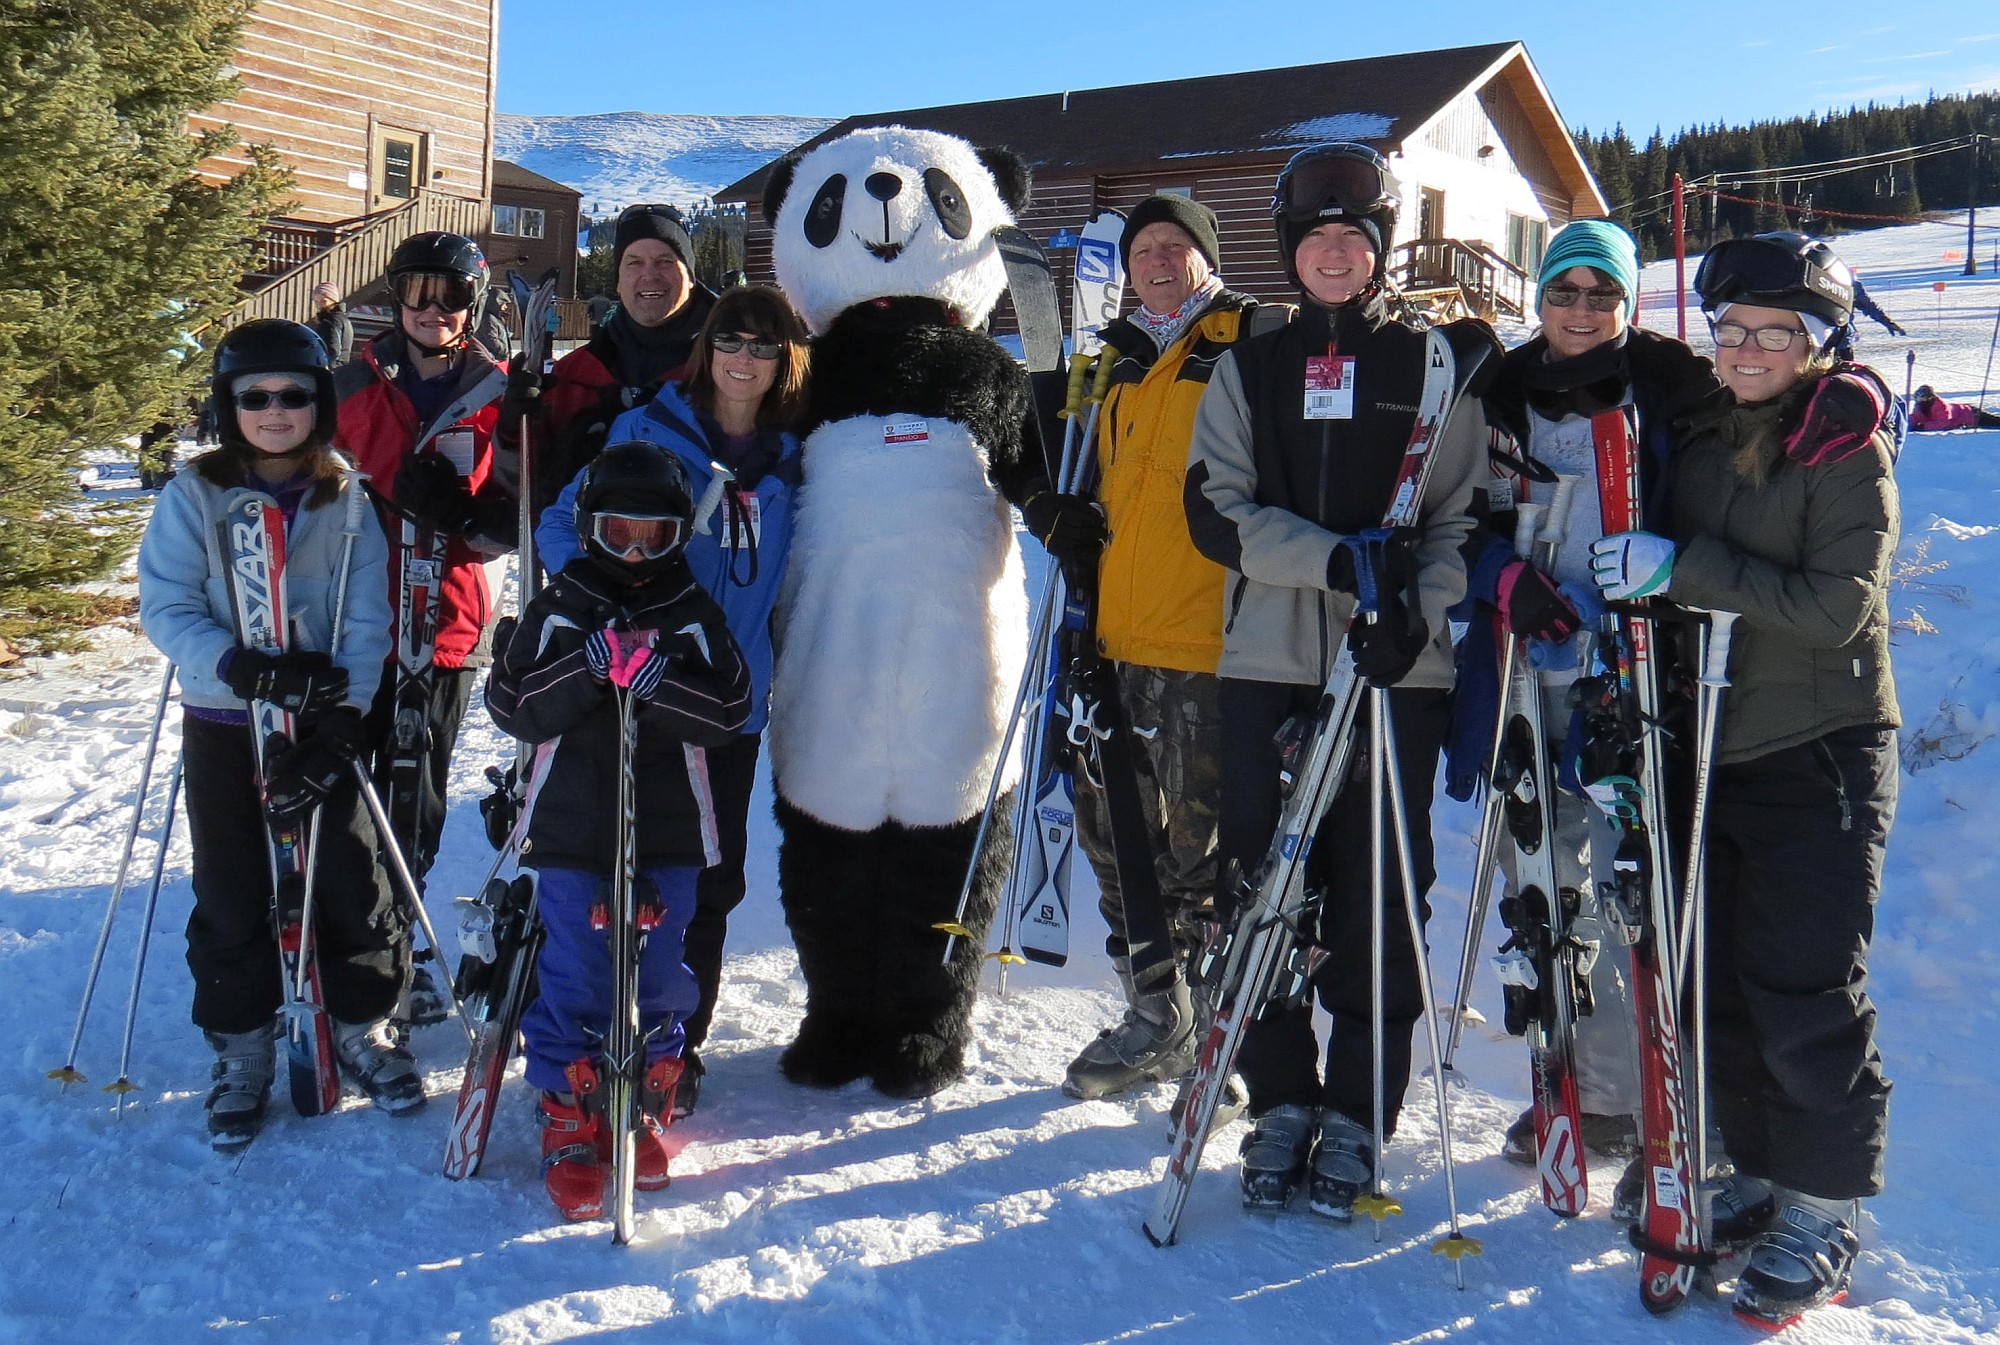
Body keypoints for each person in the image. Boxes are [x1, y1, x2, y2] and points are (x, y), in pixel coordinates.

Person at [1588, 230, 1899, 1323]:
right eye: (1731, 330)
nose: (1750, 347)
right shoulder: (1705, 434)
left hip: (1816, 751)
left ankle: (1822, 1210)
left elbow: (1835, 608)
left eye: (1776, 332)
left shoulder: (1842, 440)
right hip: (1704, 747)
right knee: (1710, 980)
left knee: (1802, 992)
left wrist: (1684, 570)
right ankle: (1756, 1171)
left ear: (1816, 343)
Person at [1183, 142, 1490, 1219]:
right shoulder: (1249, 365)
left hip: (1396, 667)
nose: (1330, 253)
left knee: (1378, 884)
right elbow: (1211, 508)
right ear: (1287, 248)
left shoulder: (1430, 367)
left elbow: (1458, 515)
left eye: (1350, 237)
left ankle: (1359, 1108)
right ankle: (1279, 1095)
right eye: (1313, 236)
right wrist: (1326, 561)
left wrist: (1414, 609)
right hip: (1269, 655)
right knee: (1260, 879)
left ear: (1376, 249)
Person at [1451, 218, 1725, 1176]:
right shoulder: (1502, 387)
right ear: (1540, 296)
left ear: (1628, 299)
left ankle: (1668, 1100)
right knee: (1550, 887)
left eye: (1599, 294)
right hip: (1531, 669)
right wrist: (1497, 574)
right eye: (1564, 292)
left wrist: (1664, 580)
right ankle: (1589, 1088)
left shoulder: (1674, 384)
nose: (1580, 311)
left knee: (1635, 888)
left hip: (1636, 675)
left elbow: (1717, 512)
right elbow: (1459, 518)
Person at [137, 319, 418, 1150]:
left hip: (321, 718)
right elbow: (168, 604)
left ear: (318, 402)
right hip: (227, 717)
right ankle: (243, 1047)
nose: (274, 409)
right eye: (253, 395)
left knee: (349, 873)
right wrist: (241, 667)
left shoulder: (349, 496)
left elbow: (368, 618)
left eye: (293, 393)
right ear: (229, 405)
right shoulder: (195, 494)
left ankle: (361, 1024)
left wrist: (344, 716)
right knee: (231, 886)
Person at [1020, 195, 1275, 1101]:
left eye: (1177, 246)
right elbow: (1079, 474)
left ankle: (1206, 1021)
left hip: (1213, 636)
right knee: (1111, 832)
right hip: (1115, 633)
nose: (1160, 260)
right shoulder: (1116, 361)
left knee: (1198, 847)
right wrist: (1059, 508)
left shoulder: (1253, 336)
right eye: (1145, 249)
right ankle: (1152, 1010)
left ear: (1206, 257)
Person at [536, 285, 810, 1116]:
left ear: (784, 360)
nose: (745, 358)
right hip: (629, 690)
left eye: (765, 345)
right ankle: (580, 1029)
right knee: (610, 867)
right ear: (707, 346)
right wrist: (602, 603)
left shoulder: (797, 457)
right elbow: (562, 523)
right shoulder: (647, 430)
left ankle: (674, 1050)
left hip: (726, 703)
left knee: (707, 880)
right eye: (732, 338)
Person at [486, 440, 752, 1221]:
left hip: (668, 828)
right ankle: (569, 1111)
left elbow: (730, 713)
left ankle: (641, 1094)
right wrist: (587, 667)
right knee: (576, 968)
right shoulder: (563, 602)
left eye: (656, 537)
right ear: (589, 528)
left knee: (662, 969)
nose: (636, 554)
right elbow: (512, 703)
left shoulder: (691, 614)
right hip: (572, 829)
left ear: (679, 536)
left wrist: (660, 681)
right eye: (618, 533)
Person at [334, 230, 513, 1025]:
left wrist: (467, 518)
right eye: (418, 293)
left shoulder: (499, 393)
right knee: (345, 796)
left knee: (415, 798)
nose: (433, 310)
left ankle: (400, 949)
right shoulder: (347, 384)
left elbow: (515, 516)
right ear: (396, 297)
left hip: (442, 623)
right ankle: (348, 950)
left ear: (472, 305)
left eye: (450, 295)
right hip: (351, 620)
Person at [513, 204, 717, 519]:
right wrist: (512, 430)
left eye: (665, 260)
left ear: (690, 276)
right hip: (586, 561)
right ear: (618, 281)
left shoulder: (727, 369)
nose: (650, 274)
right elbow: (524, 496)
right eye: (634, 262)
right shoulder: (575, 374)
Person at [1910, 384, 2000, 430]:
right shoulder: (1919, 407)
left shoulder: (1941, 406)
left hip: (1972, 415)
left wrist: (1923, 427)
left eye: (1922, 397)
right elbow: (1915, 417)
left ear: (1929, 397)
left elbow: (1943, 422)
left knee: (1996, 423)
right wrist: (1908, 424)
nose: (1919, 400)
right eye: (1917, 397)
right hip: (1966, 413)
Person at [311, 282, 354, 366]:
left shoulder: (332, 321)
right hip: (340, 370)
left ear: (333, 301)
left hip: (332, 371)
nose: (319, 305)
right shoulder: (341, 319)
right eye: (316, 301)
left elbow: (334, 351)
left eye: (324, 301)